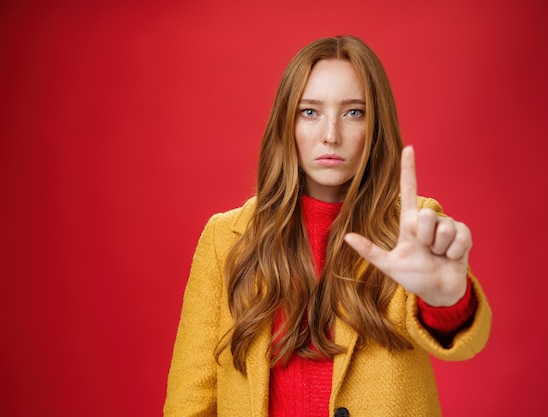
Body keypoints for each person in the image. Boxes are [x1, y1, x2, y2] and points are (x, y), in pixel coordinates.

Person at [164, 35, 491, 417]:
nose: (331, 134)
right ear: (286, 122)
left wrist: (448, 301)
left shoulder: (412, 228)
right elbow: (190, 403)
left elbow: (466, 343)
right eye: (310, 112)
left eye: (354, 112)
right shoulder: (225, 238)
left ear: (376, 124)